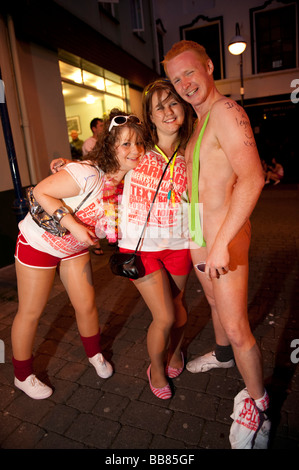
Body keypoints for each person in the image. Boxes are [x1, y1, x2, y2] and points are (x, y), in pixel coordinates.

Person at [163, 40, 270, 448]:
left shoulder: (225, 112)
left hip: (225, 239)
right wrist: (193, 237)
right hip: (202, 238)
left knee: (238, 327)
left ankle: (258, 405)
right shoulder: (199, 123)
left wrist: (221, 242)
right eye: (177, 79)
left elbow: (253, 178)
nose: (185, 83)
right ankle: (222, 356)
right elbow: (198, 189)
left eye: (190, 72)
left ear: (209, 66)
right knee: (214, 307)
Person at [12, 110, 145, 400]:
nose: (134, 150)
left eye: (138, 143)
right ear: (111, 146)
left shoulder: (127, 185)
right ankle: (22, 375)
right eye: (125, 144)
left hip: (73, 249)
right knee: (31, 312)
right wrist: (74, 225)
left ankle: (95, 354)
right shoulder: (87, 174)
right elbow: (41, 192)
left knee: (86, 306)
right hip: (39, 244)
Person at [118, 79, 194, 399]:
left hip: (180, 242)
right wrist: (69, 168)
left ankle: (175, 351)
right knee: (163, 316)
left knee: (178, 309)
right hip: (141, 246)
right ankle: (156, 368)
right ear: (149, 116)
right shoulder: (137, 149)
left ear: (183, 106)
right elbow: (105, 171)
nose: (167, 112)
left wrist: (199, 241)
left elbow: (200, 200)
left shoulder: (194, 149)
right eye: (158, 107)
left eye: (173, 103)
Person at [83, 118, 105, 255]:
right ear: (94, 128)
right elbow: (97, 158)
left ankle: (110, 237)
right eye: (101, 125)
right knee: (95, 211)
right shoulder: (89, 143)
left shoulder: (103, 141)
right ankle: (96, 244)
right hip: (93, 179)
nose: (103, 127)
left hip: (103, 178)